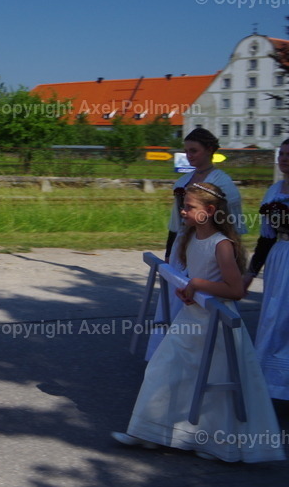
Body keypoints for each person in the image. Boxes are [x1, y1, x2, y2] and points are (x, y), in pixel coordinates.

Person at [113, 182, 284, 463]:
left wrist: (197, 284)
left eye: (190, 207)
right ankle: (148, 431)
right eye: (184, 206)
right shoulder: (191, 238)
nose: (183, 211)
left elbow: (235, 290)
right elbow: (195, 278)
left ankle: (215, 441)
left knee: (215, 384)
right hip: (191, 318)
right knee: (163, 369)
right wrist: (188, 288)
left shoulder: (222, 245)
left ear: (210, 211)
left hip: (217, 325)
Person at [146, 128, 246, 360]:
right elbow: (175, 221)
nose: (189, 156)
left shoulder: (223, 183)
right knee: (176, 295)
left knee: (200, 299)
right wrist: (169, 252)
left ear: (209, 150)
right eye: (187, 151)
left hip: (208, 244)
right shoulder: (183, 181)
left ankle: (198, 355)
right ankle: (169, 354)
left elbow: (232, 223)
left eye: (194, 151)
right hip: (183, 245)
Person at [245, 138, 289, 399]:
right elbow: (265, 238)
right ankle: (272, 384)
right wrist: (250, 272)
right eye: (282, 154)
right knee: (274, 317)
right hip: (279, 257)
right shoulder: (273, 191)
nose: (284, 159)